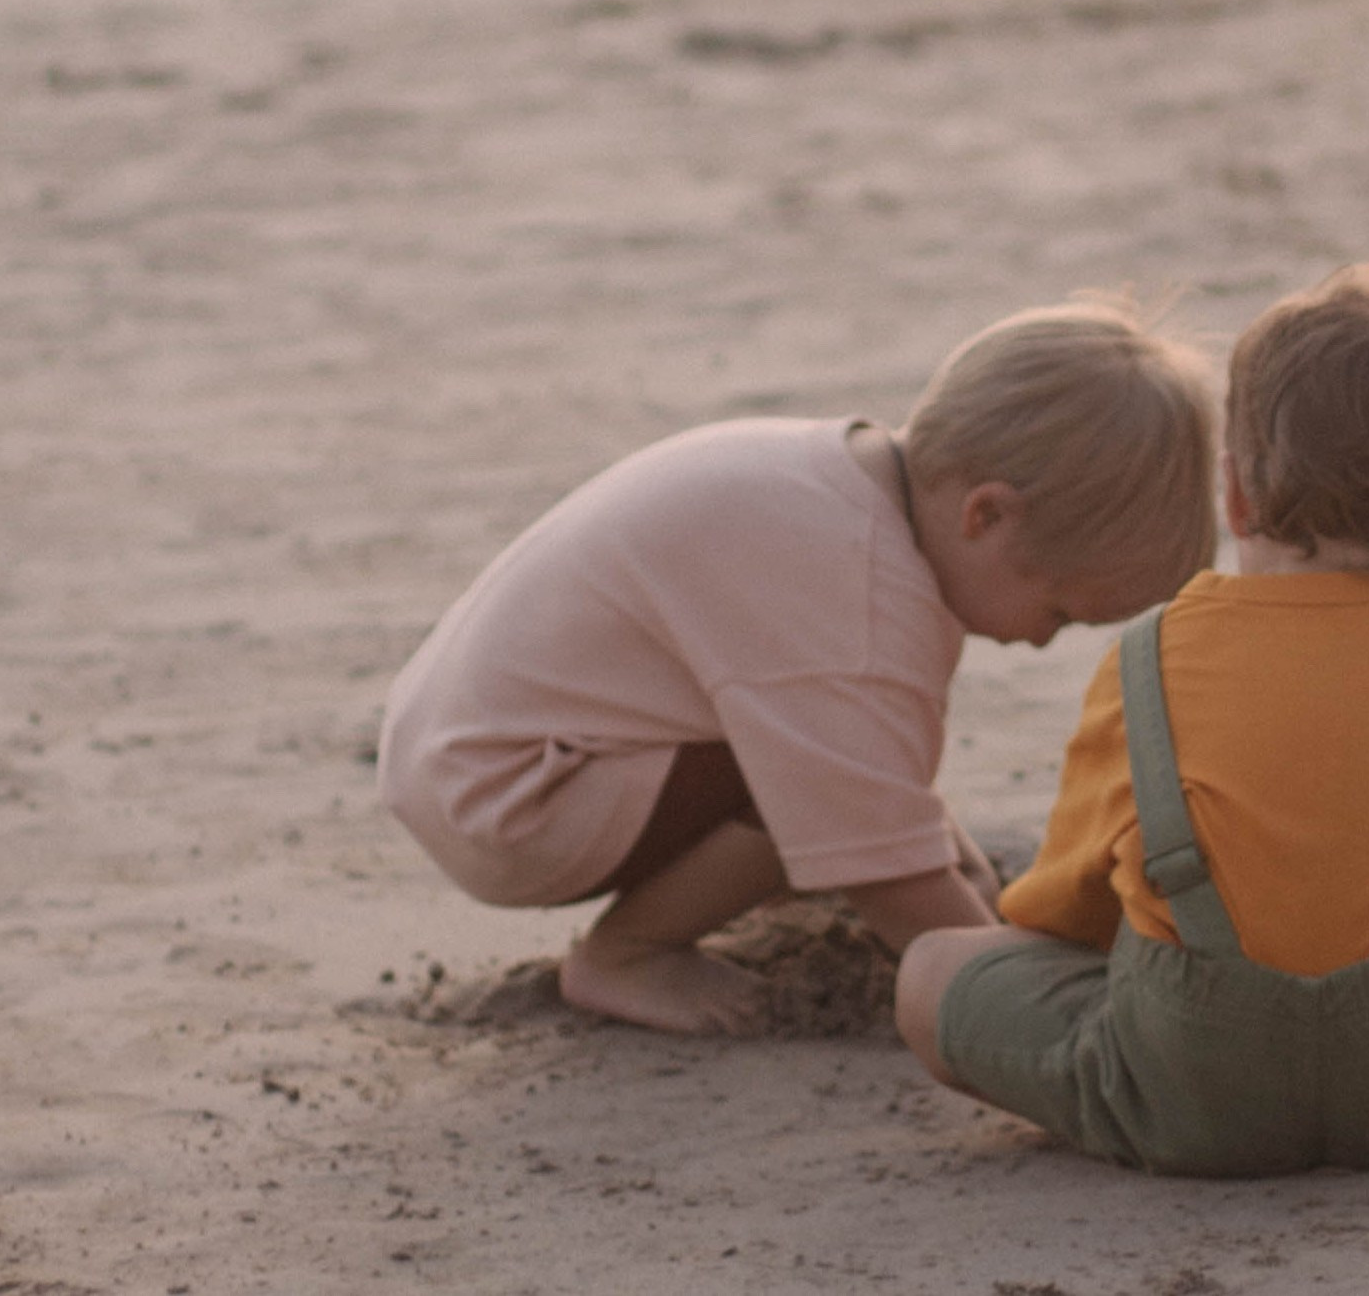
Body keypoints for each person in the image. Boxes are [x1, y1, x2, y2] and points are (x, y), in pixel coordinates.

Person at [896, 265, 1369, 1173]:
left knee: (930, 971)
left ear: (1236, 494)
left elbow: (1068, 905)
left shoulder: (1151, 656)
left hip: (1188, 1099)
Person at [379, 296, 1217, 1037]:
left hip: (459, 751)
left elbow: (885, 781)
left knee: (826, 762)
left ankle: (687, 902)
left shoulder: (836, 485)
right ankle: (626, 954)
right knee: (815, 787)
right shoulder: (856, 597)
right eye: (1058, 610)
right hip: (508, 801)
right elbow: (880, 853)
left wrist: (953, 871)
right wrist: (1019, 1000)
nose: (1041, 641)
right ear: (985, 514)